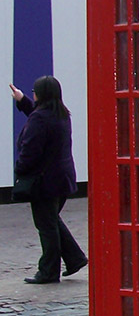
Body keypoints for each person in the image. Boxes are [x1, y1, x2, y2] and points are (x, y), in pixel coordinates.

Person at [9, 77, 88, 284]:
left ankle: (48, 271)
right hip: (62, 179)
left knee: (46, 226)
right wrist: (22, 100)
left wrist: (20, 170)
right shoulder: (61, 114)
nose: (33, 93)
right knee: (51, 220)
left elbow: (30, 150)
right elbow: (38, 114)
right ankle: (75, 258)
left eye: (34, 91)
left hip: (44, 182)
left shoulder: (41, 118)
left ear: (41, 94)